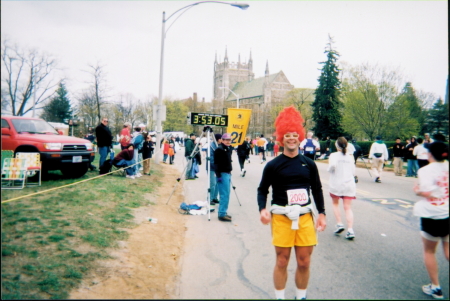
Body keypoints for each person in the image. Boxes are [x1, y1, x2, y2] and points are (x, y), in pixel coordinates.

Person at [257, 106, 326, 300]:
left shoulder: (309, 164)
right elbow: (262, 189)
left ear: (300, 137)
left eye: (295, 134)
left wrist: (322, 213)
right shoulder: (272, 165)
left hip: (304, 217)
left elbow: (317, 189)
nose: (291, 138)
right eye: (287, 135)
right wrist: (263, 209)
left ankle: (301, 297)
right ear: (281, 138)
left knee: (304, 261)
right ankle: (280, 298)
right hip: (281, 218)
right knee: (282, 260)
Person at [412, 141, 449, 300]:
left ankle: (435, 287)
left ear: (430, 154)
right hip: (448, 212)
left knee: (429, 251)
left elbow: (427, 191)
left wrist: (417, 191)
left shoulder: (425, 170)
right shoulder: (447, 166)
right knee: (448, 251)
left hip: (432, 215)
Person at [328, 137, 356, 240]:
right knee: (348, 207)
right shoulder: (350, 157)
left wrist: (330, 170)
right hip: (349, 184)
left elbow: (332, 166)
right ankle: (350, 230)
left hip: (336, 184)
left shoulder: (334, 155)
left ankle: (339, 223)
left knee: (335, 203)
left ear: (336, 145)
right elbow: (353, 171)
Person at [214, 133, 233, 222]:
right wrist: (218, 175)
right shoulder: (219, 150)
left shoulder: (227, 149)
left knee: (227, 194)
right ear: (222, 140)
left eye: (229, 140)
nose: (228, 141)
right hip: (222, 174)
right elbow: (216, 163)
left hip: (227, 173)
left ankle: (223, 212)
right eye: (226, 140)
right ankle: (221, 214)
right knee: (224, 194)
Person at [207, 133, 222, 206]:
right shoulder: (211, 146)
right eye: (221, 138)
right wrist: (216, 165)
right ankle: (210, 198)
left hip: (218, 168)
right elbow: (211, 158)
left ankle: (215, 197)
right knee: (212, 183)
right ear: (218, 139)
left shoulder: (220, 146)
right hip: (212, 167)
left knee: (217, 183)